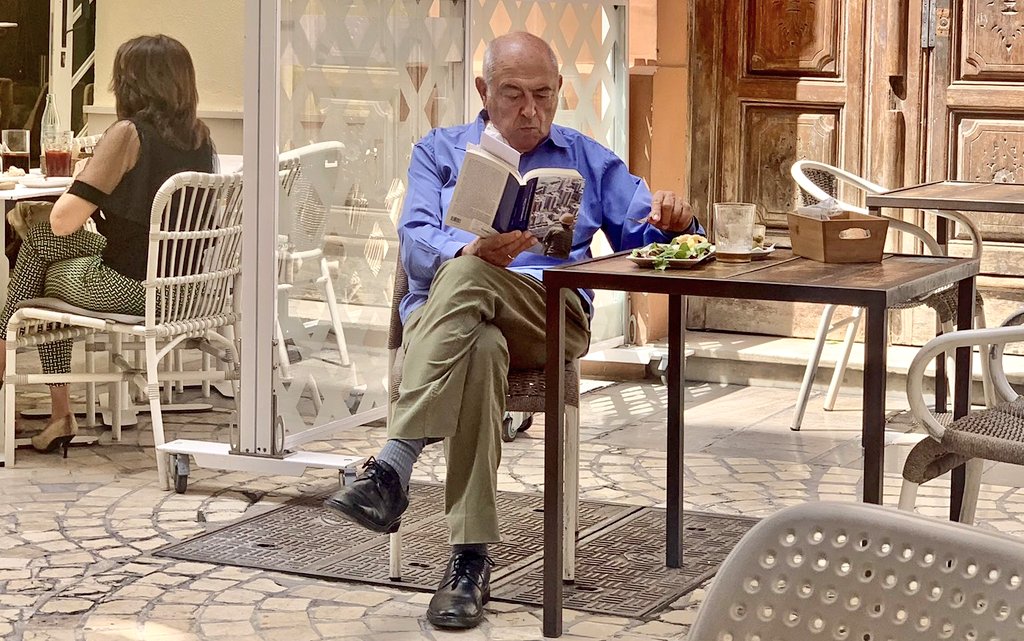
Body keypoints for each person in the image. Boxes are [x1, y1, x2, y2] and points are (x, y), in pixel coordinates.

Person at [324, 32, 703, 629]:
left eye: (543, 96)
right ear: (483, 91)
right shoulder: (438, 151)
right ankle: (469, 565)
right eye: (513, 94)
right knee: (479, 340)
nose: (531, 111)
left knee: (468, 280)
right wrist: (468, 249)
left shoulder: (584, 157)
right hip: (448, 317)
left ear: (559, 91)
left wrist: (675, 219)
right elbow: (415, 243)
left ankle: (394, 465)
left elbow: (647, 236)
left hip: (547, 315)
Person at [0, 34, 215, 455]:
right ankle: (47, 400)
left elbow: (63, 221)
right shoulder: (200, 138)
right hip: (184, 289)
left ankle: (15, 359)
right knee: (41, 246)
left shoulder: (129, 134)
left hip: (134, 288)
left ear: (131, 82)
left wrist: (89, 174)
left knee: (42, 253)